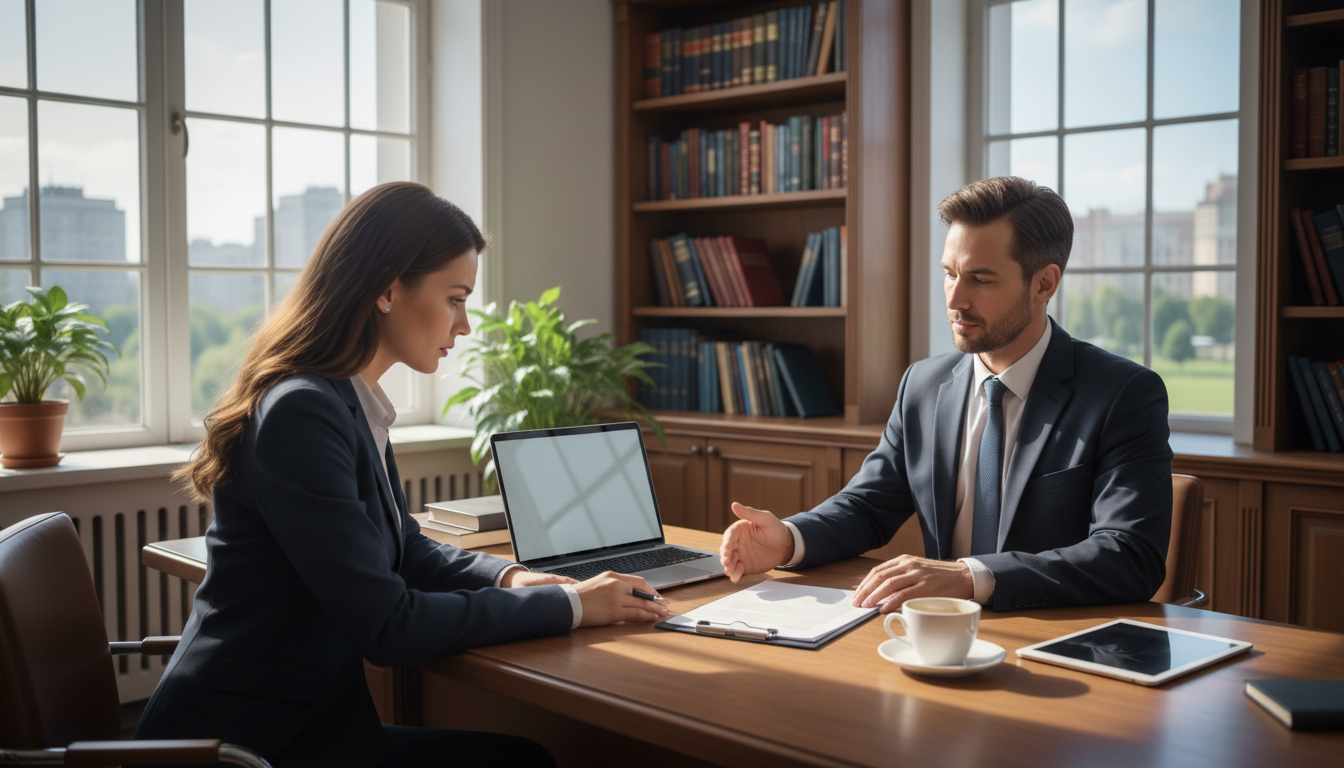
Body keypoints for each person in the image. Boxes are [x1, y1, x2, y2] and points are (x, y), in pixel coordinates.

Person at [134, 182, 671, 768]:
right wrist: (572, 605)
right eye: (456, 298)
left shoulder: (346, 400)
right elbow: (388, 625)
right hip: (249, 744)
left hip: (311, 724)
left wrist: (511, 578)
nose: (464, 326)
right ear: (388, 289)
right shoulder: (302, 411)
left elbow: (405, 546)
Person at [719, 176, 1173, 614]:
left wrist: (969, 577)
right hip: (935, 636)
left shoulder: (1122, 394)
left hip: (1052, 646)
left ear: (1044, 283)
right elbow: (869, 505)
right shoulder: (923, 384)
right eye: (949, 274)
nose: (955, 299)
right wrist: (789, 538)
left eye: (980, 279)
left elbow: (1129, 555)